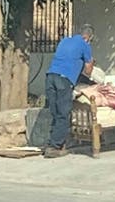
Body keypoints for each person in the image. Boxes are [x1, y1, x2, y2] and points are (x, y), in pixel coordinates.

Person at [44, 24, 95, 158]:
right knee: (63, 114)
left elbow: (65, 58)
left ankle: (54, 143)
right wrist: (87, 71)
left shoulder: (65, 40)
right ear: (88, 37)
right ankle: (54, 147)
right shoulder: (85, 45)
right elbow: (88, 69)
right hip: (63, 80)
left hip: (50, 77)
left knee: (55, 112)